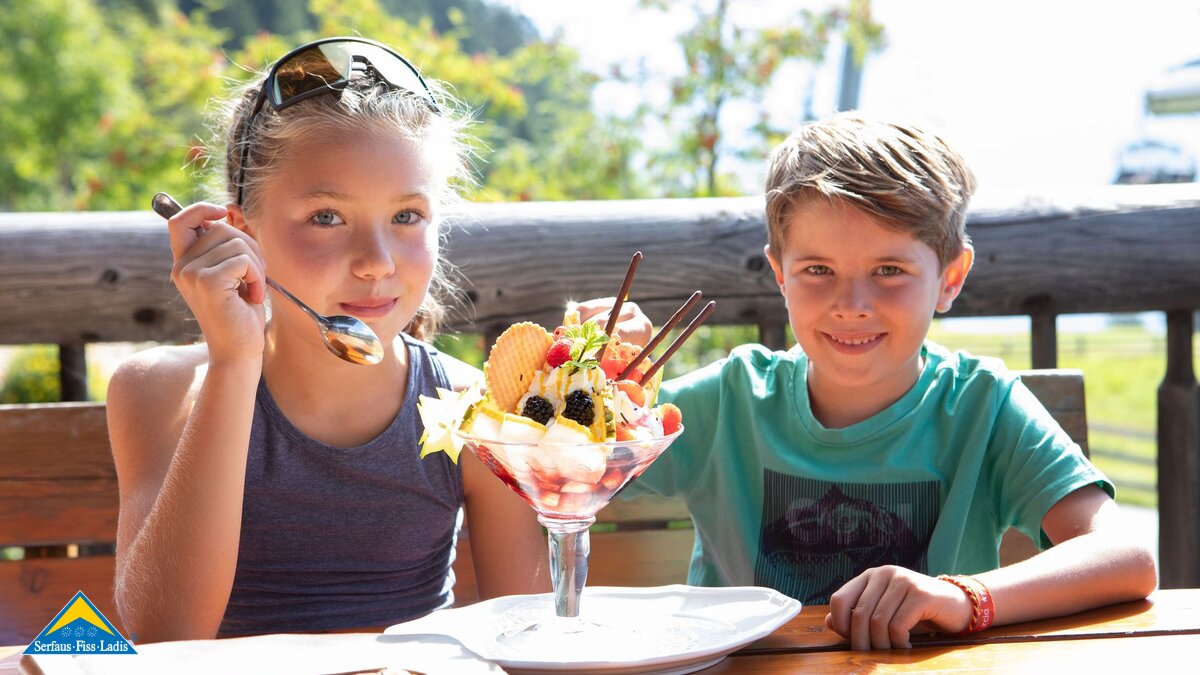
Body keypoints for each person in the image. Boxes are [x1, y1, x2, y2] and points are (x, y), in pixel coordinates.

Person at [589, 114, 1157, 650]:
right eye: (818, 270)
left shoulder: (984, 406)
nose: (852, 305)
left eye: (889, 271)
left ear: (949, 278)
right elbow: (523, 469)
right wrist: (590, 383)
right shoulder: (727, 403)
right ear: (780, 275)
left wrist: (966, 596)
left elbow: (1125, 554)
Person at [107, 36, 548, 643]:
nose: (375, 262)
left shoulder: (477, 410)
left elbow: (530, 636)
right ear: (241, 232)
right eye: (326, 218)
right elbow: (162, 637)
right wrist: (236, 360)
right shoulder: (158, 389)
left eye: (406, 216)